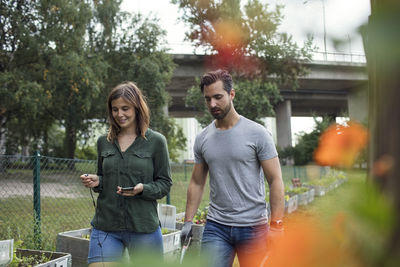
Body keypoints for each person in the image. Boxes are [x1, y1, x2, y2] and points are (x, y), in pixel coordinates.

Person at [180, 69, 285, 267]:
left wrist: (277, 225)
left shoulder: (258, 133)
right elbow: (197, 181)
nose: (212, 104)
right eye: (208, 99)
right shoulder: (203, 138)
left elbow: (275, 179)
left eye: (218, 97)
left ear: (232, 94)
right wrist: (187, 221)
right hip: (216, 226)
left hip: (254, 227)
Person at [80, 81, 172, 266]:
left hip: (143, 227)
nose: (119, 114)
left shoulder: (156, 141)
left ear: (137, 108)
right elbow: (105, 178)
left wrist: (143, 189)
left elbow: (164, 183)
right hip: (106, 226)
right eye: (115, 109)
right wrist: (97, 181)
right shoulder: (103, 142)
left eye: (125, 108)